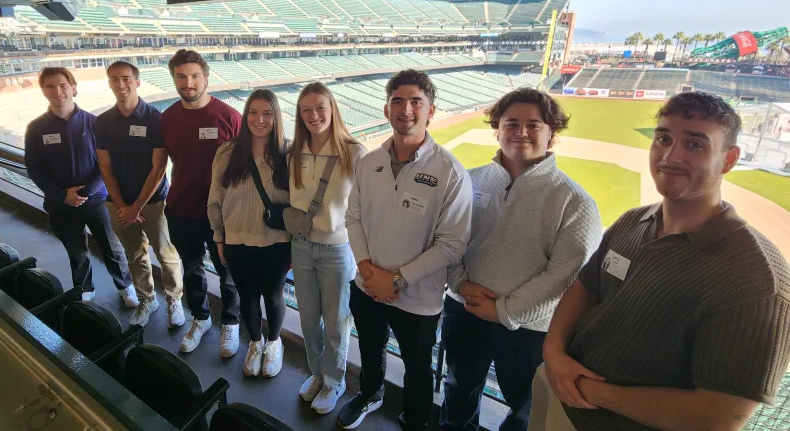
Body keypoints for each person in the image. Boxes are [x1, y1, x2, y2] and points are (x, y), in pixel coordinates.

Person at [539, 92, 790, 431]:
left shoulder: (758, 279)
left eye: (695, 144)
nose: (671, 156)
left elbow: (718, 417)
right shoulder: (633, 221)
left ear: (729, 159)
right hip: (563, 401)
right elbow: (586, 289)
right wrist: (553, 353)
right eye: (663, 139)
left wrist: (592, 392)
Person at [441, 88, 602, 431]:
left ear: (551, 132)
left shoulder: (575, 201)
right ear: (497, 130)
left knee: (526, 410)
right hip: (465, 310)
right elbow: (447, 241)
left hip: (529, 330)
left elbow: (565, 274)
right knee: (457, 391)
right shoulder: (468, 181)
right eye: (511, 123)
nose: (521, 132)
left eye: (533, 125)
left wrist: (503, 311)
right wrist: (460, 283)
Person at [338, 69, 474, 431]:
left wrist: (396, 280)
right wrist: (367, 269)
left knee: (417, 366)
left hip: (417, 298)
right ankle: (369, 394)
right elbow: (353, 217)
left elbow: (452, 244)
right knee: (370, 349)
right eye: (397, 101)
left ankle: (415, 420)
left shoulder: (450, 172)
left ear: (431, 110)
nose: (406, 109)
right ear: (386, 110)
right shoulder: (370, 162)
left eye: (416, 101)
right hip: (367, 286)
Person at [24, 66, 137, 307]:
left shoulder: (95, 124)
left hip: (97, 201)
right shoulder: (36, 128)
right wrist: (61, 195)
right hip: (60, 204)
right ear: (43, 91)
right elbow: (33, 168)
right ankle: (84, 288)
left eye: (63, 85)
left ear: (73, 88)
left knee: (112, 248)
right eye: (50, 86)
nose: (57, 91)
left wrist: (84, 193)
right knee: (75, 251)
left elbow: (106, 164)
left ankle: (125, 286)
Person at [289, 82, 367, 414]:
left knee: (336, 322)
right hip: (301, 246)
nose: (314, 115)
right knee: (308, 320)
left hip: (337, 249)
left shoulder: (354, 152)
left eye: (320, 107)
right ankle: (317, 373)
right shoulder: (295, 152)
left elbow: (365, 207)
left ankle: (335, 380)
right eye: (306, 109)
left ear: (332, 108)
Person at [160, 49, 242, 357]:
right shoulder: (167, 118)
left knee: (228, 272)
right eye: (181, 77)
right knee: (191, 270)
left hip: (222, 213)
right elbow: (159, 165)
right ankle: (201, 317)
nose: (188, 83)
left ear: (206, 77)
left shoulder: (229, 117)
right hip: (182, 211)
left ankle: (231, 322)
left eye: (194, 76)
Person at [208, 89, 291, 378]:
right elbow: (215, 199)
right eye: (253, 112)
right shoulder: (227, 152)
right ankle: (255, 342)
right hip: (237, 240)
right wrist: (219, 237)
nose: (260, 119)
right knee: (248, 296)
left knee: (274, 295)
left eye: (267, 113)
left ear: (276, 117)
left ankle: (274, 342)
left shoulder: (289, 153)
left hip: (277, 242)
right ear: (245, 116)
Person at [94, 60, 185, 328]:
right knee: (134, 254)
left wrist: (137, 207)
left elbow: (158, 169)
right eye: (114, 79)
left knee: (166, 254)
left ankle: (174, 299)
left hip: (153, 202)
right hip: (118, 203)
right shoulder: (103, 121)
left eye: (125, 78)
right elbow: (105, 167)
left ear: (137, 82)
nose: (120, 84)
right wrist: (122, 205)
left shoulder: (155, 119)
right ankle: (147, 299)